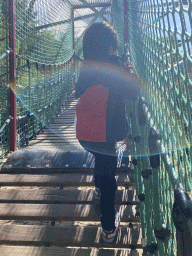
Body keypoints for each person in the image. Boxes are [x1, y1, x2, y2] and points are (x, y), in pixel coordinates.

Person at [75, 22, 142, 244]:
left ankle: (98, 191)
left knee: (99, 160)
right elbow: (133, 90)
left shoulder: (86, 67)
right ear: (109, 50)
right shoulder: (113, 71)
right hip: (105, 135)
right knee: (108, 178)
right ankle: (108, 228)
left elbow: (78, 90)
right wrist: (128, 72)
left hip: (85, 134)